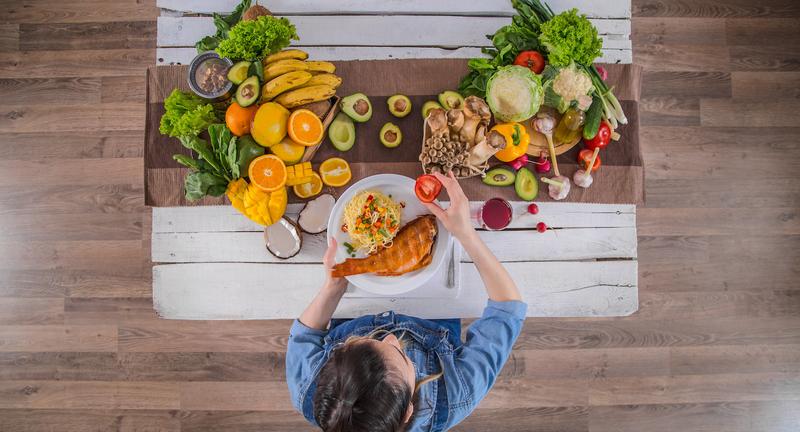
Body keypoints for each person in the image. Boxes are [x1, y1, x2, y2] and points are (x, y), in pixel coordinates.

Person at [286, 172, 526, 431]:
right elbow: (508, 309)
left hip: (355, 304)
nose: (390, 337)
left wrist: (334, 287)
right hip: (438, 308)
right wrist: (466, 234)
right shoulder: (456, 396)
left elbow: (304, 336)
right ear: (408, 412)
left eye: (359, 344)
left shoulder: (310, 393)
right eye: (401, 355)